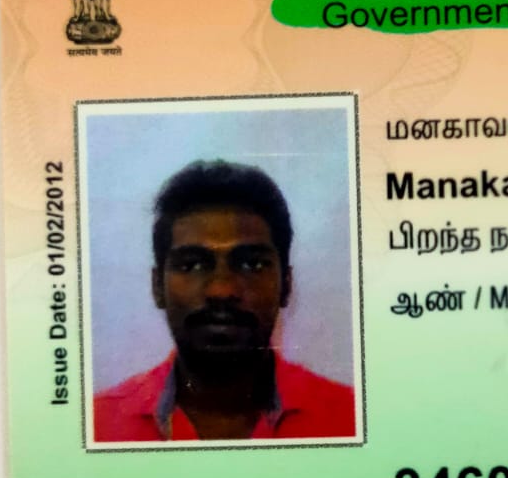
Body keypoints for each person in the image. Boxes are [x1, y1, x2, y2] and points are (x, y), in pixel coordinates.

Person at [93, 160, 357, 442]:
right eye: (192, 265)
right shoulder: (98, 426)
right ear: (157, 286)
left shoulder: (352, 418)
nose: (221, 289)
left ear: (286, 285)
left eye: (252, 264)